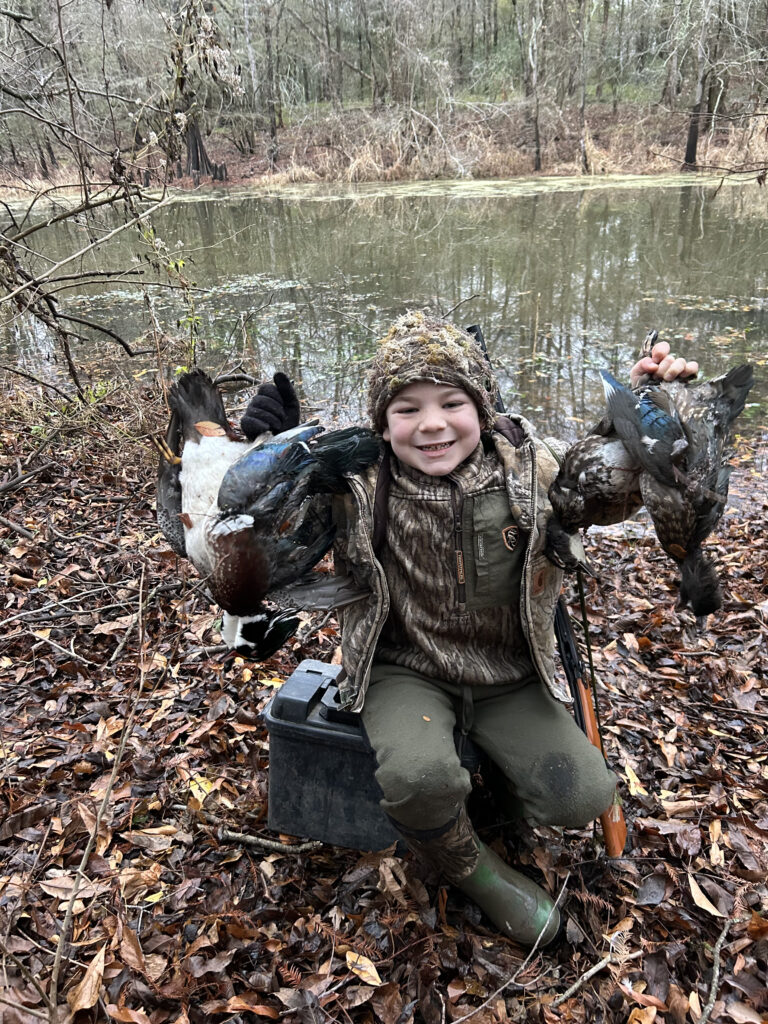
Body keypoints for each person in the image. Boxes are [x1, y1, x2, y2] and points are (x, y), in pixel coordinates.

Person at [242, 312, 697, 947]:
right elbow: (264, 543)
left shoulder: (529, 467)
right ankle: (473, 869)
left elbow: (603, 487)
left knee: (581, 799)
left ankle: (498, 791)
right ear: (381, 422)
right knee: (419, 781)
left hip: (507, 672)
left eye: (452, 402)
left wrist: (643, 409)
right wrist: (263, 450)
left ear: (481, 408)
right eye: (406, 408)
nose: (431, 424)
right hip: (405, 670)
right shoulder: (353, 483)